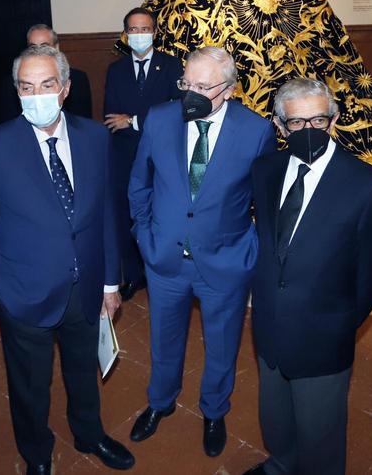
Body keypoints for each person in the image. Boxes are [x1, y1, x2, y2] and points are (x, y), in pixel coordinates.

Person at [0, 45, 134, 475]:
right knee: (30, 385)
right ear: (17, 92)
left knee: (83, 370)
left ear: (65, 89)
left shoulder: (95, 137)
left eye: (46, 84)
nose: (36, 95)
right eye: (26, 87)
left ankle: (89, 433)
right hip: (23, 293)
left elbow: (106, 216)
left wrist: (110, 283)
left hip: (87, 285)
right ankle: (37, 452)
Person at [128, 46, 276, 457]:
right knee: (164, 339)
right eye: (186, 84)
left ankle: (214, 409)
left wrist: (251, 250)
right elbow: (139, 183)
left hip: (226, 261)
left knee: (223, 343)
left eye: (203, 86)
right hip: (164, 260)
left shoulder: (256, 131)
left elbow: (265, 202)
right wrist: (144, 235)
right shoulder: (160, 119)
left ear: (229, 89)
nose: (190, 93)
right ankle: (160, 402)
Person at [245, 78, 372, 475]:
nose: (309, 131)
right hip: (269, 326)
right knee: (275, 417)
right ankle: (281, 464)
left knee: (321, 434)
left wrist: (340, 323)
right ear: (280, 126)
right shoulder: (265, 169)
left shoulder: (368, 185)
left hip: (323, 336)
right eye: (296, 123)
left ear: (334, 120)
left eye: (319, 120)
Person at [101, 7, 183, 300]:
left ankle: (158, 271)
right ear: (125, 35)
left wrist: (134, 120)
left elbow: (177, 112)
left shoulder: (172, 66)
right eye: (133, 30)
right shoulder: (116, 70)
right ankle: (134, 275)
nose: (139, 35)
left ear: (156, 32)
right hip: (123, 155)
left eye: (144, 29)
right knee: (126, 215)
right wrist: (137, 121)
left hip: (162, 155)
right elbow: (111, 119)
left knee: (160, 212)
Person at [0, 24, 94, 119]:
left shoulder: (78, 79)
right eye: (33, 47)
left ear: (56, 47)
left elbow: (83, 121)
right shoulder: (10, 83)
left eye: (44, 47)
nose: (39, 51)